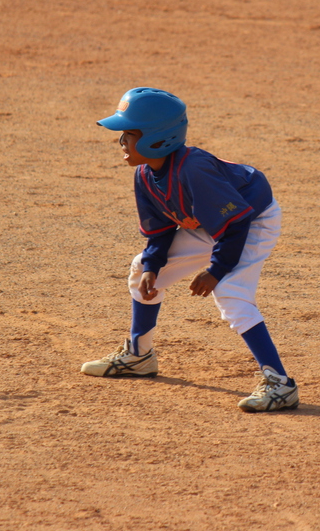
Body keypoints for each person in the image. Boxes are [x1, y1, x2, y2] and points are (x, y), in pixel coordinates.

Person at [80, 87, 299, 413]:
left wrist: (215, 271)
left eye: (129, 133)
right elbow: (161, 231)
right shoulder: (145, 174)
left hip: (252, 220)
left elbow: (236, 225)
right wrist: (155, 266)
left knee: (229, 290)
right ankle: (139, 355)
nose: (121, 142)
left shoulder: (194, 170)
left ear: (157, 138)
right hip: (212, 225)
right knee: (142, 268)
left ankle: (280, 384)